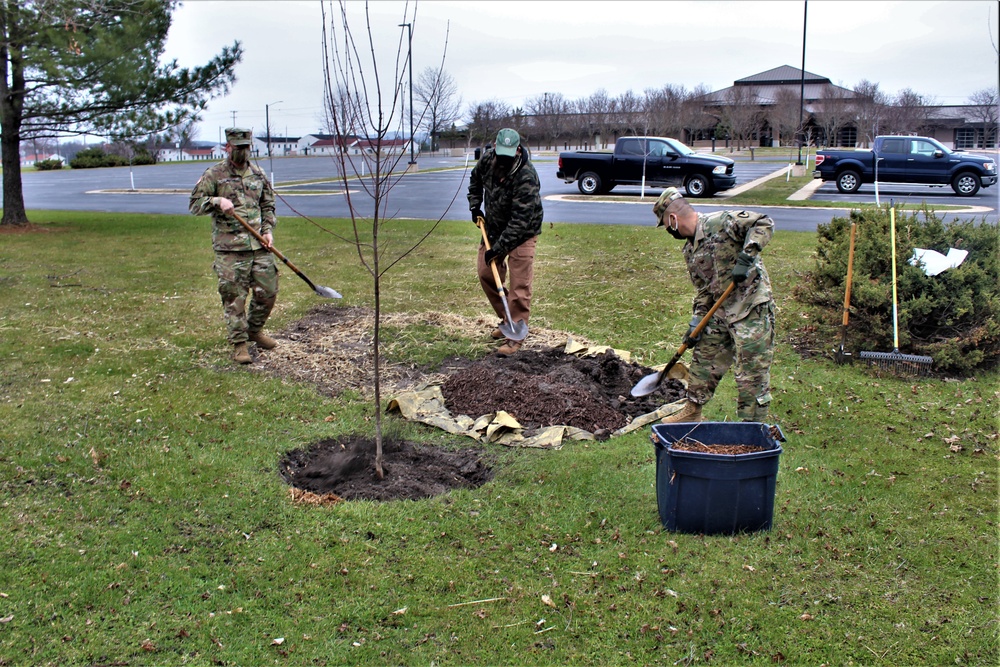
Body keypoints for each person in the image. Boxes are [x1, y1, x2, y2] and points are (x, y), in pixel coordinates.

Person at [652, 187, 776, 423]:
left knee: (751, 372)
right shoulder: (690, 251)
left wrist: (747, 256)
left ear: (673, 219)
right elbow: (704, 291)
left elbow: (763, 222)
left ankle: (752, 426)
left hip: (751, 307)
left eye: (666, 226)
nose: (668, 231)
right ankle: (692, 411)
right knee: (704, 357)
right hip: (720, 310)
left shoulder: (722, 222)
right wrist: (696, 322)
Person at [189, 127, 279, 365]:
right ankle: (239, 344)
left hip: (258, 245)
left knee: (267, 292)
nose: (242, 152)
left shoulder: (258, 175)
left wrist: (268, 231)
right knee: (234, 298)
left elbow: (268, 205)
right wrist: (217, 201)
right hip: (229, 249)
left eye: (246, 147)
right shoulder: (214, 174)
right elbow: (195, 204)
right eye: (237, 147)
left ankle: (254, 330)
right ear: (227, 147)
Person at [467, 128, 544, 356]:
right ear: (495, 147)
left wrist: (499, 249)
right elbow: (475, 180)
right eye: (500, 154)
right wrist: (474, 205)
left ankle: (515, 336)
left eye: (508, 156)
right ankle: (506, 319)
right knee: (486, 272)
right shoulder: (488, 159)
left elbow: (520, 221)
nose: (503, 160)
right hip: (494, 227)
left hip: (523, 232)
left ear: (518, 151)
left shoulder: (527, 176)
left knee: (520, 286)